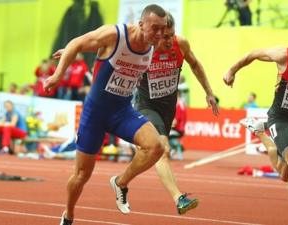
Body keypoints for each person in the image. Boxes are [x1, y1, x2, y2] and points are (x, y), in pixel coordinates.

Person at [44, 4, 168, 225]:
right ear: (141, 24)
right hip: (95, 113)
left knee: (156, 146)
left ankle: (120, 182)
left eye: (163, 29)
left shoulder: (153, 46)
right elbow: (76, 43)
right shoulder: (115, 35)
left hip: (122, 111)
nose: (159, 34)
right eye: (155, 29)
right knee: (82, 175)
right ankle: (68, 215)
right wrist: (58, 75)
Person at [223, 22, 288, 225]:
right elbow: (253, 53)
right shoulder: (283, 56)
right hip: (279, 117)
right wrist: (231, 70)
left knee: (286, 174)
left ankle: (262, 135)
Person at [134, 12, 219, 214]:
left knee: (155, 153)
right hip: (147, 105)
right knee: (162, 150)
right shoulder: (144, 48)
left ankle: (121, 181)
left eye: (171, 35)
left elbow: (195, 64)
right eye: (164, 37)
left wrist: (209, 92)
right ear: (156, 35)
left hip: (168, 108)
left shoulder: (180, 44)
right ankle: (179, 198)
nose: (169, 41)